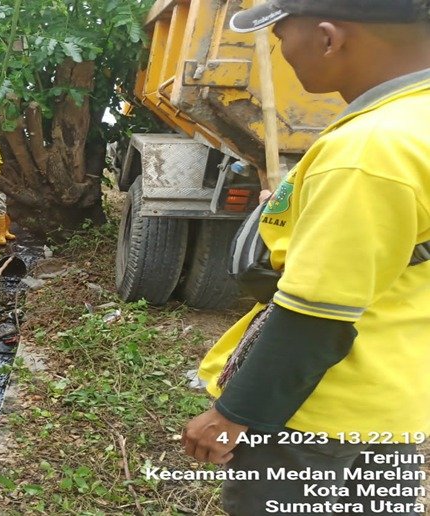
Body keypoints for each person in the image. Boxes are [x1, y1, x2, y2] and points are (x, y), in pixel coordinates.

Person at [182, 1, 430, 514]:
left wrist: (234, 412)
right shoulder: (413, 122)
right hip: (398, 397)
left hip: (319, 415)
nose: (280, 51)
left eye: (280, 37)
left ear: (328, 37)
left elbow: (316, 314)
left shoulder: (371, 149)